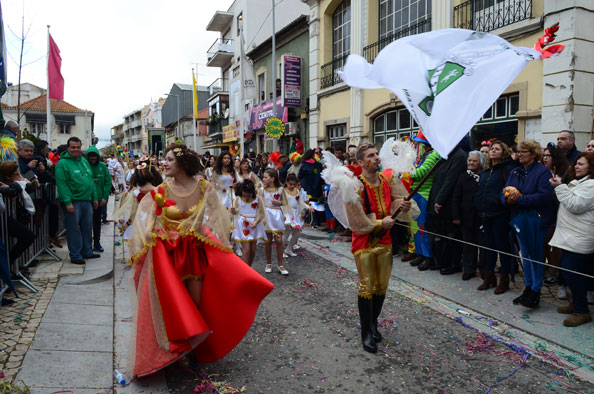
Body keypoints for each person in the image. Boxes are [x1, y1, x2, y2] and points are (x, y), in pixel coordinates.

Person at [126, 143, 273, 378]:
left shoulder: (204, 187)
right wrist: (155, 233)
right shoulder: (162, 190)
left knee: (194, 302)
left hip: (194, 251)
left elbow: (217, 213)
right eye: (165, 158)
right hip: (170, 253)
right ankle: (175, 352)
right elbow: (148, 219)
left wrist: (199, 225)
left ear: (183, 164)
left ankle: (193, 349)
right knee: (172, 302)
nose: (165, 163)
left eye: (170, 159)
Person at [343, 143, 417, 353]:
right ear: (360, 162)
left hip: (384, 241)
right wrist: (378, 224)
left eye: (376, 154)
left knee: (381, 285)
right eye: (370, 155)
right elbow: (355, 220)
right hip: (364, 242)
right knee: (367, 285)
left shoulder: (388, 179)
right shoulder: (355, 186)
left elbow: (397, 201)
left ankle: (373, 323)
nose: (376, 158)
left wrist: (402, 205)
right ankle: (366, 332)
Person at [503, 140, 554, 309]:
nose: (520, 154)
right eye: (519, 151)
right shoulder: (516, 172)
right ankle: (528, 287)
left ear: (533, 154)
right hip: (519, 218)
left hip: (536, 219)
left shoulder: (542, 172)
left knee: (536, 256)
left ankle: (536, 290)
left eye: (524, 151)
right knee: (525, 254)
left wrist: (520, 199)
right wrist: (507, 200)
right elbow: (504, 192)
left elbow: (544, 196)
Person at [549, 152, 594, 326]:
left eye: (581, 164)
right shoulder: (579, 183)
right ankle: (577, 303)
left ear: (591, 166)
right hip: (571, 236)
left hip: (580, 238)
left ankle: (582, 311)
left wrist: (560, 187)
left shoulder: (591, 185)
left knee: (572, 273)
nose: (576, 166)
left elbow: (576, 205)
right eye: (576, 164)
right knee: (572, 274)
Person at [474, 140, 515, 294]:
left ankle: (504, 277)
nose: (492, 151)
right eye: (491, 149)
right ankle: (489, 275)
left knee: (502, 247)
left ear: (503, 152)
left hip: (500, 214)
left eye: (497, 149)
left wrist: (499, 201)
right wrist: (477, 201)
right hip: (485, 213)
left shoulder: (507, 169)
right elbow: (481, 190)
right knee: (489, 246)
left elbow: (508, 190)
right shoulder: (485, 171)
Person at [425, 138, 469, 274]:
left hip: (448, 204)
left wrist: (439, 200)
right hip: (439, 202)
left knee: (452, 237)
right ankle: (442, 261)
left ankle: (453, 264)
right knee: (442, 235)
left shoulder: (460, 156)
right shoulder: (447, 155)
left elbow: (450, 180)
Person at [54, 137, 99, 265]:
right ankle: (75, 255)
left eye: (78, 147)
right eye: (73, 147)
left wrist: (94, 197)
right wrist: (67, 202)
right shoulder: (62, 164)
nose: (76, 150)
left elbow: (90, 181)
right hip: (73, 202)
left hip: (87, 201)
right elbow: (62, 184)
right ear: (68, 148)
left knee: (86, 227)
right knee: (73, 229)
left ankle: (87, 251)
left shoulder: (84, 161)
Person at [408, 131, 440, 269]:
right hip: (414, 195)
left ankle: (428, 257)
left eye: (417, 143)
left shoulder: (433, 155)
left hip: (423, 195)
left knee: (422, 228)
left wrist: (403, 170)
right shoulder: (421, 156)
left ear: (425, 144)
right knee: (415, 228)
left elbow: (420, 173)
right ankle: (420, 254)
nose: (415, 145)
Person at [451, 151, 484, 280]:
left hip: (481, 217)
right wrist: (456, 216)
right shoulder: (463, 176)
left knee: (483, 245)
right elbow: (456, 197)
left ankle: (484, 270)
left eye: (474, 161)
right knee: (468, 245)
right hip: (466, 217)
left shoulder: (485, 175)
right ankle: (469, 269)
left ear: (480, 162)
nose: (471, 163)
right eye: (469, 161)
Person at [541, 143, 569, 288]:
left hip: (560, 215)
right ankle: (546, 270)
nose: (545, 158)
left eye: (548, 155)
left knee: (555, 247)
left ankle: (555, 272)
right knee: (544, 244)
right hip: (545, 214)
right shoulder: (541, 172)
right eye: (544, 155)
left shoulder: (565, 173)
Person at [0, 161, 35, 265]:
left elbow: (30, 187)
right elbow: (14, 189)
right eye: (17, 174)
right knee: (28, 236)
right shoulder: (5, 182)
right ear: (8, 176)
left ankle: (10, 266)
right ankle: (7, 265)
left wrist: (28, 181)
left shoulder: (8, 182)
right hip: (5, 217)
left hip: (12, 216)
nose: (20, 176)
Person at [230, 179, 266, 266]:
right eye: (244, 195)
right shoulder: (237, 199)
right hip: (243, 225)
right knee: (246, 250)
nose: (246, 198)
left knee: (253, 250)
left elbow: (261, 213)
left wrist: (256, 221)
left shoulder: (258, 199)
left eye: (248, 196)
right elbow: (236, 212)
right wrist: (233, 211)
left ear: (252, 193)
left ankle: (248, 268)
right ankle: (244, 272)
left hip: (254, 225)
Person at [261, 168, 287, 275]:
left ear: (272, 179)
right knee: (267, 241)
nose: (263, 179)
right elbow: (259, 202)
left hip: (276, 215)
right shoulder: (262, 190)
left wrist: (279, 203)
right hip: (267, 215)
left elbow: (285, 202)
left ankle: (280, 264)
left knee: (279, 240)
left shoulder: (280, 189)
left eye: (265, 177)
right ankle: (269, 263)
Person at [85, 146, 112, 252]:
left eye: (94, 157)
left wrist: (105, 198)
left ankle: (97, 242)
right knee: (86, 224)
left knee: (97, 223)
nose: (92, 159)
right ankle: (87, 245)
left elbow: (107, 182)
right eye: (90, 157)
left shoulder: (102, 166)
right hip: (87, 199)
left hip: (99, 200)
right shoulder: (84, 165)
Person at [282, 174, 311, 257]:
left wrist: (308, 207)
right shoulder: (283, 191)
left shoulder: (297, 191)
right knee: (286, 233)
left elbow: (300, 202)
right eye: (290, 184)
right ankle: (281, 251)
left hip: (295, 213)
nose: (292, 186)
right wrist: (282, 214)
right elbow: (281, 204)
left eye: (294, 185)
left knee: (297, 232)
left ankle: (289, 249)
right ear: (287, 182)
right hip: (287, 212)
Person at [298, 149, 323, 228]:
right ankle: (317, 221)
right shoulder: (318, 165)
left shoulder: (304, 165)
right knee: (316, 204)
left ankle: (313, 221)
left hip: (307, 186)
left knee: (309, 204)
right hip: (317, 186)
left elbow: (299, 176)